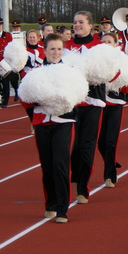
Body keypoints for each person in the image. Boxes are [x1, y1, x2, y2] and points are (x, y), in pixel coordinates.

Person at [28, 33, 75, 223]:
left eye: (59, 49)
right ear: (45, 50)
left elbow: (77, 95)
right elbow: (26, 99)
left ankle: (63, 209)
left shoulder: (70, 71)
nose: (56, 52)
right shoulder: (36, 72)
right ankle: (51, 204)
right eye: (52, 49)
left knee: (61, 165)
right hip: (42, 123)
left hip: (63, 123)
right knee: (47, 167)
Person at [64, 10, 105, 204]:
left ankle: (82, 187)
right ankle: (76, 175)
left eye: (81, 22)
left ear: (90, 26)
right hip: (71, 102)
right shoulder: (65, 47)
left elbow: (110, 72)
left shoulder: (99, 46)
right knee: (74, 145)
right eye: (75, 22)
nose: (77, 25)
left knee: (87, 145)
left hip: (93, 101)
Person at [98, 32, 128, 188]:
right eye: (103, 41)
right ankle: (111, 162)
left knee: (111, 141)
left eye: (109, 41)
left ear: (116, 44)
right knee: (99, 142)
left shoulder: (122, 61)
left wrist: (115, 78)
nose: (105, 44)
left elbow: (127, 88)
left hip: (115, 104)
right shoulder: (94, 60)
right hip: (98, 104)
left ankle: (109, 175)